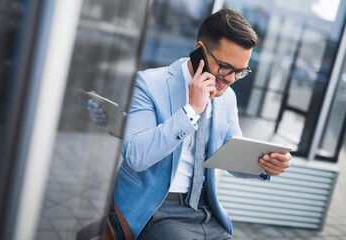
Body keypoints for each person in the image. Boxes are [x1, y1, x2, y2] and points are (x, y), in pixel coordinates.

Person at [88, 8, 292, 240]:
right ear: (200, 52)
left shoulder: (227, 98)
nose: (231, 79)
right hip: (154, 210)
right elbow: (136, 156)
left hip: (204, 211)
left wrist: (265, 165)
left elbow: (231, 154)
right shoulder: (149, 84)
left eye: (240, 72)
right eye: (225, 67)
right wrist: (191, 111)